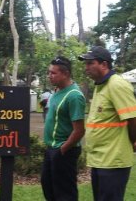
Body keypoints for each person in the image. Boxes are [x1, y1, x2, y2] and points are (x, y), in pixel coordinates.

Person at [78, 46, 136, 201]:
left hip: (113, 162)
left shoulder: (117, 85)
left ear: (104, 64)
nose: (86, 67)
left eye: (90, 63)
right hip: (100, 161)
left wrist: (134, 141)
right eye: (86, 64)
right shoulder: (100, 85)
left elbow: (132, 118)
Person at [41, 56, 86, 201]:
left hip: (63, 151)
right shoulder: (56, 91)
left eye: (53, 73)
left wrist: (62, 150)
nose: (49, 76)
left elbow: (79, 130)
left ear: (65, 74)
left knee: (65, 193)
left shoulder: (74, 96)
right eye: (49, 72)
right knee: (48, 186)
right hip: (51, 149)